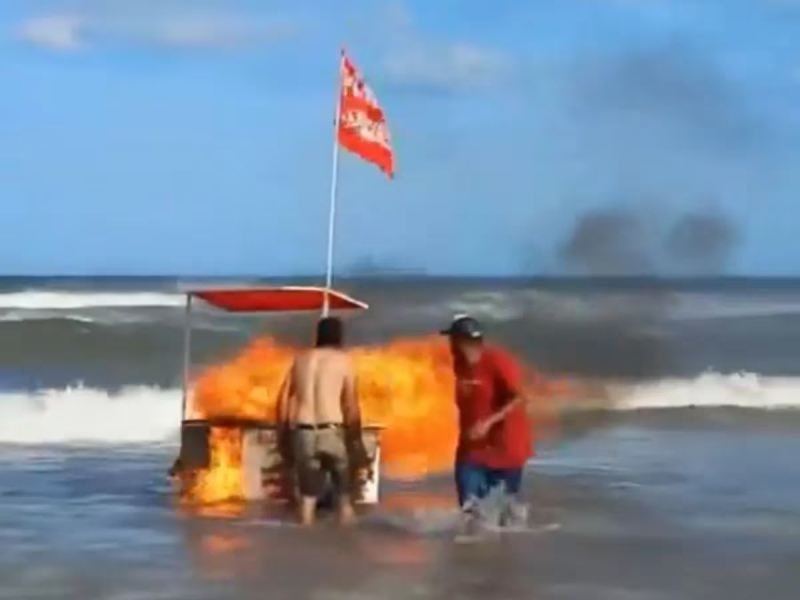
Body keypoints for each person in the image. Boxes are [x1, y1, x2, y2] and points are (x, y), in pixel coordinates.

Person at [440, 314, 532, 528]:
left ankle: (499, 556)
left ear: (462, 341)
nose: (449, 345)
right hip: (471, 450)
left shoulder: (498, 360)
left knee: (504, 517)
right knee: (469, 510)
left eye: (452, 339)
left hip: (506, 448)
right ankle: (470, 554)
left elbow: (519, 397)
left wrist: (487, 423)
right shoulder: (459, 364)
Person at [276, 316, 369, 526]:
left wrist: (282, 434)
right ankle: (347, 550)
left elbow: (282, 400)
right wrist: (355, 439)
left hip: (303, 432)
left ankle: (304, 548)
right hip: (332, 431)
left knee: (307, 500)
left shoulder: (300, 360)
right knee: (344, 499)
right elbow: (350, 405)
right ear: (339, 336)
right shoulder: (343, 361)